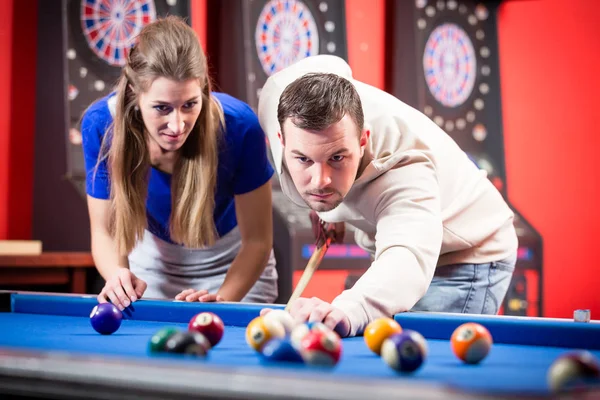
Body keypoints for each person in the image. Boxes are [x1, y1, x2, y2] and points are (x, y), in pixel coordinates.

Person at [257, 55, 518, 337]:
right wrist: (327, 208)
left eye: (337, 157)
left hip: (464, 253)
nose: (321, 181)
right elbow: (332, 64)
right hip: (409, 256)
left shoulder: (403, 164)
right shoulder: (276, 97)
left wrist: (349, 308)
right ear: (282, 140)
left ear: (362, 140)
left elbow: (406, 256)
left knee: (420, 373)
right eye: (304, 159)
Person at [81, 16, 278, 310]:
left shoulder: (240, 126)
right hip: (150, 268)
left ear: (202, 89)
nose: (177, 124)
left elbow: (258, 242)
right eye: (162, 108)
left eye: (190, 104)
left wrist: (220, 301)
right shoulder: (101, 125)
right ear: (135, 94)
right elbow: (105, 232)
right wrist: (118, 275)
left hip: (234, 267)